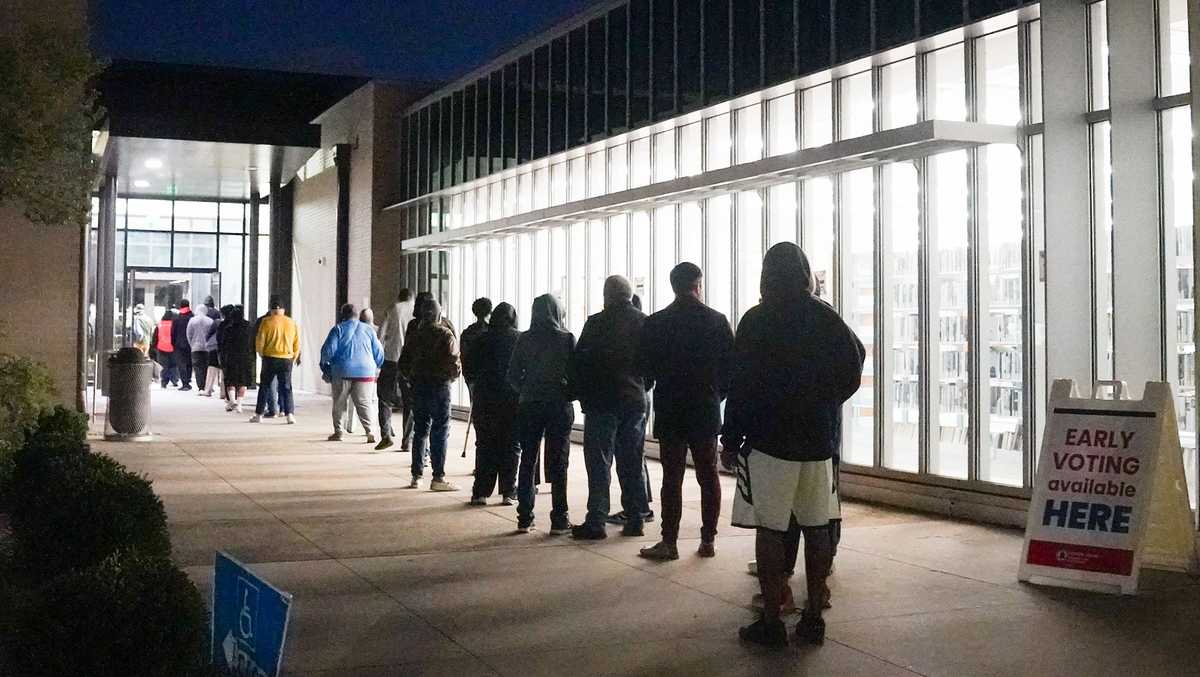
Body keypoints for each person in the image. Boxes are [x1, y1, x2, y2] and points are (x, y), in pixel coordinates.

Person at [722, 242, 864, 648]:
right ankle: (814, 616)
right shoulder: (825, 316)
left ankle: (771, 620)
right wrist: (828, 399)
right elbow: (855, 361)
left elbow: (740, 385)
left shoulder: (756, 320)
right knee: (818, 526)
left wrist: (731, 439)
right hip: (818, 440)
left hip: (770, 441)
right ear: (805, 274)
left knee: (770, 529)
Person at [636, 262, 734, 561]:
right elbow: (731, 368)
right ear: (698, 284)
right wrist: (716, 394)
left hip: (671, 408)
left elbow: (644, 368)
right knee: (708, 475)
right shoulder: (717, 321)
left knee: (672, 477)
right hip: (704, 408)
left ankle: (669, 542)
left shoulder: (656, 323)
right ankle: (708, 540)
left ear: (673, 285)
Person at [570, 276, 650, 540]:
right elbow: (652, 365)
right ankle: (635, 518)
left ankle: (597, 520)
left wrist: (581, 395)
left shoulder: (595, 323)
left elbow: (579, 363)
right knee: (632, 461)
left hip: (601, 402)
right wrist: (641, 387)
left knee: (599, 462)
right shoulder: (643, 322)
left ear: (606, 296)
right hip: (633, 400)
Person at [508, 294, 576, 535]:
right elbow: (575, 374)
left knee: (528, 458)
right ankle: (559, 518)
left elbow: (513, 375)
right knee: (559, 461)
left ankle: (525, 517)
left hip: (529, 404)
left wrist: (526, 389)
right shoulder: (566, 339)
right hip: (558, 405)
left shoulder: (524, 339)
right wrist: (568, 392)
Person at [398, 298, 460, 491]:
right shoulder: (445, 334)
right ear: (439, 315)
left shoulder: (414, 336)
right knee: (440, 429)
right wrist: (450, 377)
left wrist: (411, 378)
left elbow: (403, 363)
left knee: (420, 429)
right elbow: (455, 362)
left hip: (418, 386)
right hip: (440, 386)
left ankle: (416, 476)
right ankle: (438, 477)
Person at [467, 302, 521, 505]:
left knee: (485, 444)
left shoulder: (481, 339)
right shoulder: (518, 338)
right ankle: (508, 491)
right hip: (511, 399)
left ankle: (481, 492)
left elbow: (470, 368)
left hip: (485, 398)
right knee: (511, 444)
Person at [608, 292, 655, 525]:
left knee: (628, 456)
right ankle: (641, 506)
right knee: (636, 454)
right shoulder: (645, 323)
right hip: (639, 395)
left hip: (627, 395)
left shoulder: (614, 326)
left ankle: (637, 508)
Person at [321, 303, 385, 443]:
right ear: (357, 315)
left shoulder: (338, 329)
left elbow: (327, 351)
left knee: (339, 403)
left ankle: (339, 432)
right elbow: (379, 352)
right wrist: (377, 366)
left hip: (342, 371)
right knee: (364, 403)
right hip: (365, 372)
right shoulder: (369, 330)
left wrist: (325, 368)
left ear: (342, 315)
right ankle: (370, 432)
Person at [250, 296, 300, 424]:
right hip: (287, 359)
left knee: (265, 386)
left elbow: (260, 341)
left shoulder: (266, 322)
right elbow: (296, 343)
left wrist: (261, 354)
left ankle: (259, 414)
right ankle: (290, 415)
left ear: (271, 309)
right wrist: (293, 357)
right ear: (283, 310)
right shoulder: (291, 322)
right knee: (287, 387)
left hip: (270, 358)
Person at [375, 289, 414, 451]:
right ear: (412, 298)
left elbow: (380, 334)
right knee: (409, 401)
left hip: (391, 358)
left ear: (399, 298)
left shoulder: (393, 308)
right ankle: (407, 441)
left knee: (384, 397)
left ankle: (386, 436)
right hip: (410, 362)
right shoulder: (416, 310)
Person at [460, 297, 492, 470]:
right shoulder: (491, 331)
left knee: (479, 421)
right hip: (489, 381)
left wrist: (469, 379)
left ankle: (480, 464)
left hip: (474, 381)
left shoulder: (468, 333)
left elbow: (464, 358)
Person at [218, 306, 254, 413]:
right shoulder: (249, 327)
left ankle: (232, 400)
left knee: (231, 380)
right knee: (242, 381)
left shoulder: (228, 329)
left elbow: (223, 345)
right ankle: (239, 405)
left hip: (231, 357)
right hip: (245, 357)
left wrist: (222, 358)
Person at [252, 307, 279, 418]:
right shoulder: (288, 321)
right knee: (284, 385)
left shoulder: (263, 321)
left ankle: (272, 408)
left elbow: (258, 338)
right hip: (285, 357)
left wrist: (260, 353)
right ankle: (284, 410)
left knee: (268, 384)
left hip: (269, 356)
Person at [187, 304, 214, 396]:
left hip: (196, 347)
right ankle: (207, 386)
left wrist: (192, 344)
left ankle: (201, 387)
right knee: (206, 367)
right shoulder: (210, 321)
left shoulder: (192, 320)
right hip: (208, 348)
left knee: (197, 367)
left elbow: (189, 334)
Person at [171, 299, 195, 390]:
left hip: (179, 344)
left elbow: (172, 332)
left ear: (180, 306)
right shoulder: (192, 317)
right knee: (189, 362)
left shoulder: (177, 318)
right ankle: (188, 381)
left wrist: (173, 343)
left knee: (181, 363)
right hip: (190, 343)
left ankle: (184, 383)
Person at [152, 309, 178, 388]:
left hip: (161, 347)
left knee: (163, 365)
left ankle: (164, 382)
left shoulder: (159, 325)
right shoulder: (174, 324)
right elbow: (176, 336)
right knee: (173, 365)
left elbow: (155, 337)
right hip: (172, 347)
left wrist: (154, 346)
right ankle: (174, 380)